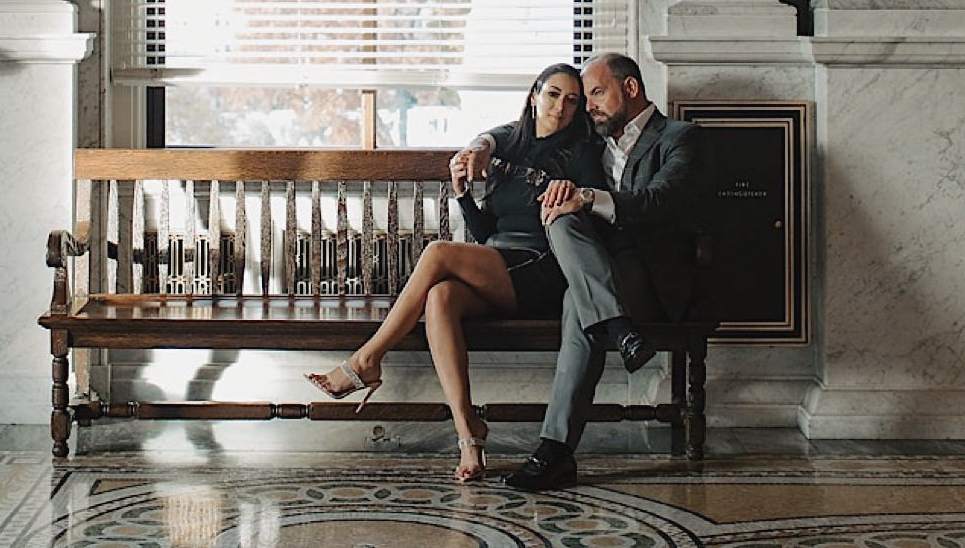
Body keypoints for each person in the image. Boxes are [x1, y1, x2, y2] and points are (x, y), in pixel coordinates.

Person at [304, 63, 605, 483]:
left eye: (572, 100)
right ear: (535, 94)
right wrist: (463, 192)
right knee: (440, 297)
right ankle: (469, 433)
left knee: (437, 253)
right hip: (498, 265)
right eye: (553, 94)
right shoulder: (509, 142)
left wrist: (575, 196)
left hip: (543, 268)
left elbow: (592, 216)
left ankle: (366, 359)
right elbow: (485, 231)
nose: (561, 107)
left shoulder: (582, 153)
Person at [451, 52, 713, 491]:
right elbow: (516, 132)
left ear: (629, 89)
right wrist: (481, 144)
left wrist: (588, 197)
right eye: (583, 97)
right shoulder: (588, 139)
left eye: (596, 93)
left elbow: (659, 202)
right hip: (590, 266)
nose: (587, 105)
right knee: (561, 214)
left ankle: (555, 449)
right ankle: (617, 328)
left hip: (646, 273)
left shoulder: (680, 137)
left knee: (579, 292)